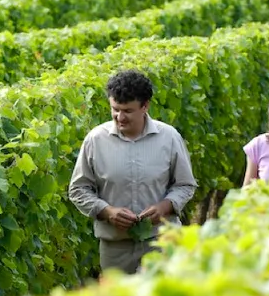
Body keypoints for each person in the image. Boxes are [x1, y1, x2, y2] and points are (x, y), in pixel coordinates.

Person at [68, 70, 197, 275]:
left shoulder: (169, 138)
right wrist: (107, 211)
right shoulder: (95, 140)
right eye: (115, 109)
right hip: (115, 247)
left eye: (127, 111)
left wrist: (165, 206)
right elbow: (78, 189)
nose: (120, 117)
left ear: (145, 106)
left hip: (162, 241)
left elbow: (185, 185)